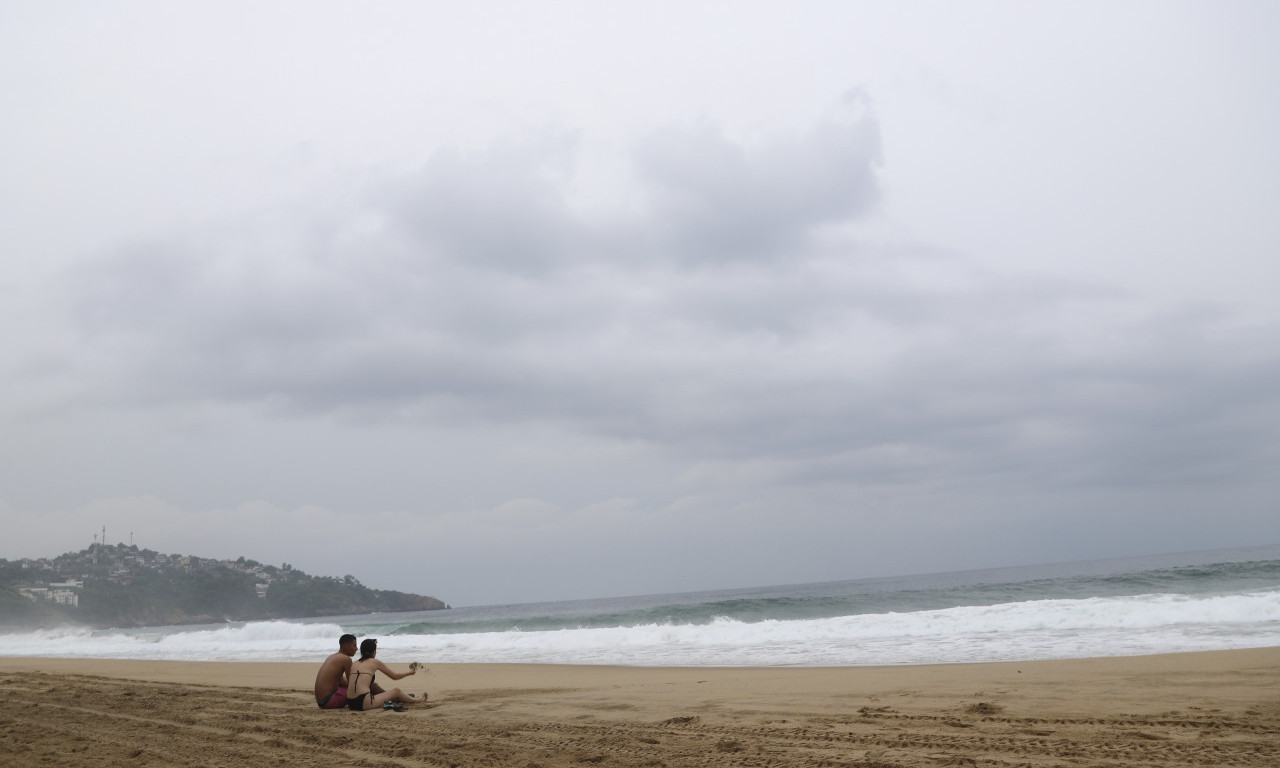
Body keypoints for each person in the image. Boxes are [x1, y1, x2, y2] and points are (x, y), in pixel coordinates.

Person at [346, 638, 427, 711]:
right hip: (363, 702)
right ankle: (418, 700)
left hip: (351, 703)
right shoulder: (375, 662)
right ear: (374, 652)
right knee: (396, 691)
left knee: (373, 685)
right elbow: (394, 676)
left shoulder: (355, 663)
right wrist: (409, 673)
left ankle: (396, 698)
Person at [314, 634, 358, 708]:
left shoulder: (332, 657)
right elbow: (352, 684)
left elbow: (341, 681)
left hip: (321, 702)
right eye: (354, 645)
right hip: (330, 701)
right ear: (346, 646)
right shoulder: (346, 659)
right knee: (362, 689)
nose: (356, 649)